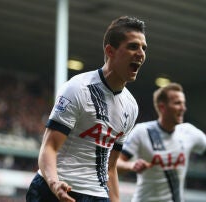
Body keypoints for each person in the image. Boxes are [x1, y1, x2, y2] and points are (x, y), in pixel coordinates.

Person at [26, 16, 147, 202]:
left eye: (143, 48)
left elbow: (110, 166)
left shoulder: (131, 107)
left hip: (97, 195)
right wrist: (54, 183)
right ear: (110, 51)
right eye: (133, 46)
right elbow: (49, 146)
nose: (141, 53)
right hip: (55, 190)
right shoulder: (78, 88)